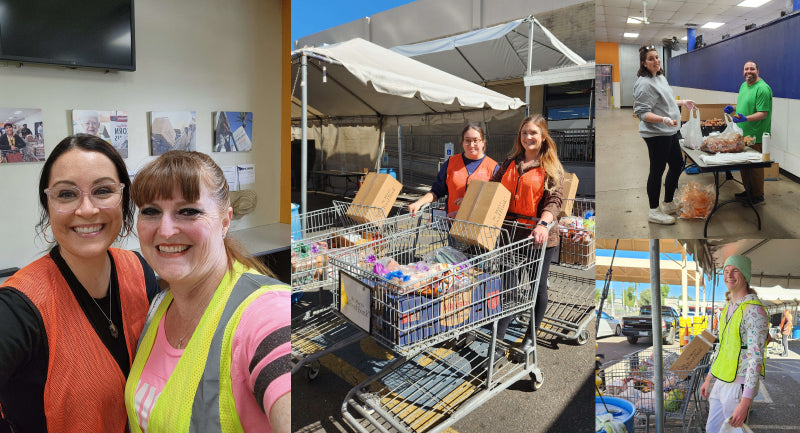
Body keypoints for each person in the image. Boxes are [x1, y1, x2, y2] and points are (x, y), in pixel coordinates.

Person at [0, 134, 160, 433]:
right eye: (66, 194)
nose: (86, 209)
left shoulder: (140, 271)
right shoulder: (19, 308)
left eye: (102, 190)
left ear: (124, 200)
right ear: (48, 206)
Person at [125, 151, 290, 433]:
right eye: (151, 211)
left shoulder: (268, 311)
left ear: (225, 221)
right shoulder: (159, 306)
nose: (165, 231)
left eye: (188, 211)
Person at [488, 114, 563, 362]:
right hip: (510, 234)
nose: (528, 137)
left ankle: (530, 337)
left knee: (536, 287)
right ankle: (498, 340)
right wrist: (473, 203)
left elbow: (555, 201)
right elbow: (492, 188)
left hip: (539, 237)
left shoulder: (550, 167)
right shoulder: (510, 162)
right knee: (508, 287)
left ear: (543, 137)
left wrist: (543, 224)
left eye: (533, 133)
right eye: (524, 133)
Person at [700, 255, 768, 433]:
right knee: (712, 430)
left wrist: (745, 402)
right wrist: (709, 379)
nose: (729, 275)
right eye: (726, 271)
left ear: (745, 275)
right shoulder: (728, 307)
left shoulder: (754, 310)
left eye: (735, 270)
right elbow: (722, 348)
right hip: (721, 381)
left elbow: (755, 358)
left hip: (738, 385)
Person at [632, 45, 696, 225]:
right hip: (656, 134)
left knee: (676, 164)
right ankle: (654, 211)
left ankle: (668, 203)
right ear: (644, 63)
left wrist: (682, 102)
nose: (656, 61)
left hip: (670, 131)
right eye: (651, 59)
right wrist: (663, 119)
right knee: (657, 170)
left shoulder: (659, 76)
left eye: (657, 57)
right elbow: (642, 113)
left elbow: (666, 101)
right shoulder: (644, 84)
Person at [408, 123, 498, 216]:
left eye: (476, 140)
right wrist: (418, 203)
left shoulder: (493, 168)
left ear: (483, 142)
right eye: (467, 140)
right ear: (462, 142)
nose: (471, 145)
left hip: (479, 224)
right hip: (452, 224)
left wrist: (470, 202)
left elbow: (496, 199)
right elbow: (436, 191)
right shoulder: (451, 163)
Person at [724, 61, 772, 205]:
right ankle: (748, 191)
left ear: (757, 70)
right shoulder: (744, 85)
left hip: (756, 134)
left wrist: (746, 118)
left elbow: (763, 113)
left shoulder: (762, 88)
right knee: (744, 164)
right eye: (746, 69)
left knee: (755, 166)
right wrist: (732, 108)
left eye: (752, 69)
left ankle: (758, 196)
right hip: (744, 133)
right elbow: (744, 105)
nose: (748, 71)